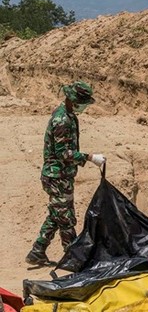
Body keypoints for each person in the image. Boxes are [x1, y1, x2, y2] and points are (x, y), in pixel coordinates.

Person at [25, 81, 106, 266]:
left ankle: (37, 251)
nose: (83, 107)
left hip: (62, 176)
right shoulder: (62, 120)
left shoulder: (69, 116)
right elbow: (64, 154)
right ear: (72, 100)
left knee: (57, 214)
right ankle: (74, 257)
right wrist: (89, 157)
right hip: (56, 177)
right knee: (66, 218)